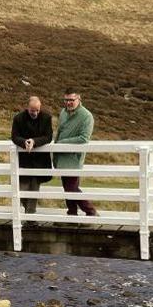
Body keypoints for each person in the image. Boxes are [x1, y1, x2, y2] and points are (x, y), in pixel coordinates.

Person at [55, 88, 97, 216]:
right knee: (67, 187)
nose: (68, 103)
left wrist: (62, 143)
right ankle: (72, 213)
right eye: (66, 100)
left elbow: (84, 138)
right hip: (61, 156)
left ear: (79, 99)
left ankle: (90, 211)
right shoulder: (63, 112)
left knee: (71, 188)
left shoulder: (86, 116)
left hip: (74, 157)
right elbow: (60, 131)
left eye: (71, 100)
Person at [11, 96, 53, 214]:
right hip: (24, 160)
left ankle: (31, 218)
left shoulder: (46, 118)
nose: (35, 113)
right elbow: (14, 136)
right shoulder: (18, 118)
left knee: (34, 190)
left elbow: (48, 136)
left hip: (39, 161)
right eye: (32, 110)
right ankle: (29, 213)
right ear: (27, 108)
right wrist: (24, 142)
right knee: (22, 190)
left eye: (37, 110)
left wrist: (34, 142)